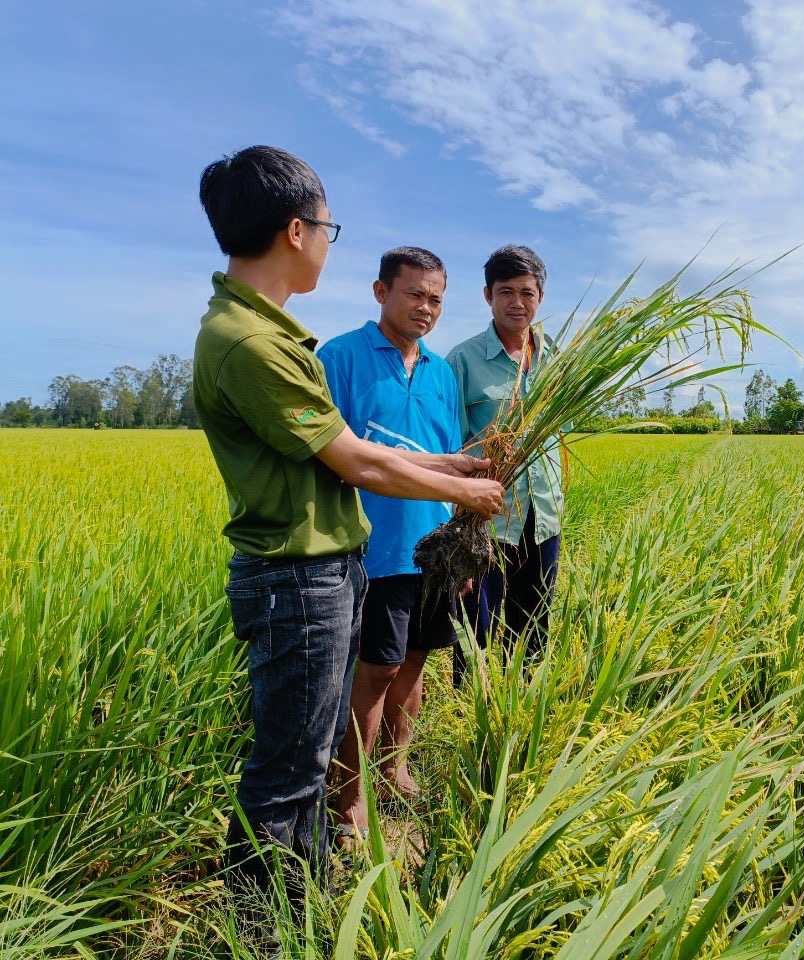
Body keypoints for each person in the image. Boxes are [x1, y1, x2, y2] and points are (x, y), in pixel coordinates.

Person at [192, 146, 504, 908]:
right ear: (297, 230)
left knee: (308, 750)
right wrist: (468, 489)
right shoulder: (254, 342)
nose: (330, 239)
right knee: (289, 767)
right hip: (297, 576)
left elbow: (362, 450)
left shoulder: (262, 330)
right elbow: (356, 463)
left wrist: (452, 472)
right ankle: (266, 922)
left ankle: (299, 893)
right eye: (329, 225)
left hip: (324, 569)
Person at [317, 246, 462, 842]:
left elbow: (451, 461)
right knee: (375, 671)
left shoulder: (440, 372)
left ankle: (393, 769)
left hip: (433, 549)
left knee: (416, 664)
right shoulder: (341, 358)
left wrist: (461, 547)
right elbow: (335, 454)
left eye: (435, 298)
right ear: (381, 292)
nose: (425, 308)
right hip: (372, 549)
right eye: (414, 295)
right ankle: (349, 796)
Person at [447, 245, 563, 678]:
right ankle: (468, 710)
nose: (517, 302)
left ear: (540, 297)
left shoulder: (554, 358)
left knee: (534, 624)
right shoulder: (462, 359)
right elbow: (451, 445)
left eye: (527, 292)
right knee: (476, 628)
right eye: (506, 291)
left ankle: (525, 701)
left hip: (544, 514)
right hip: (487, 518)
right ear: (487, 296)